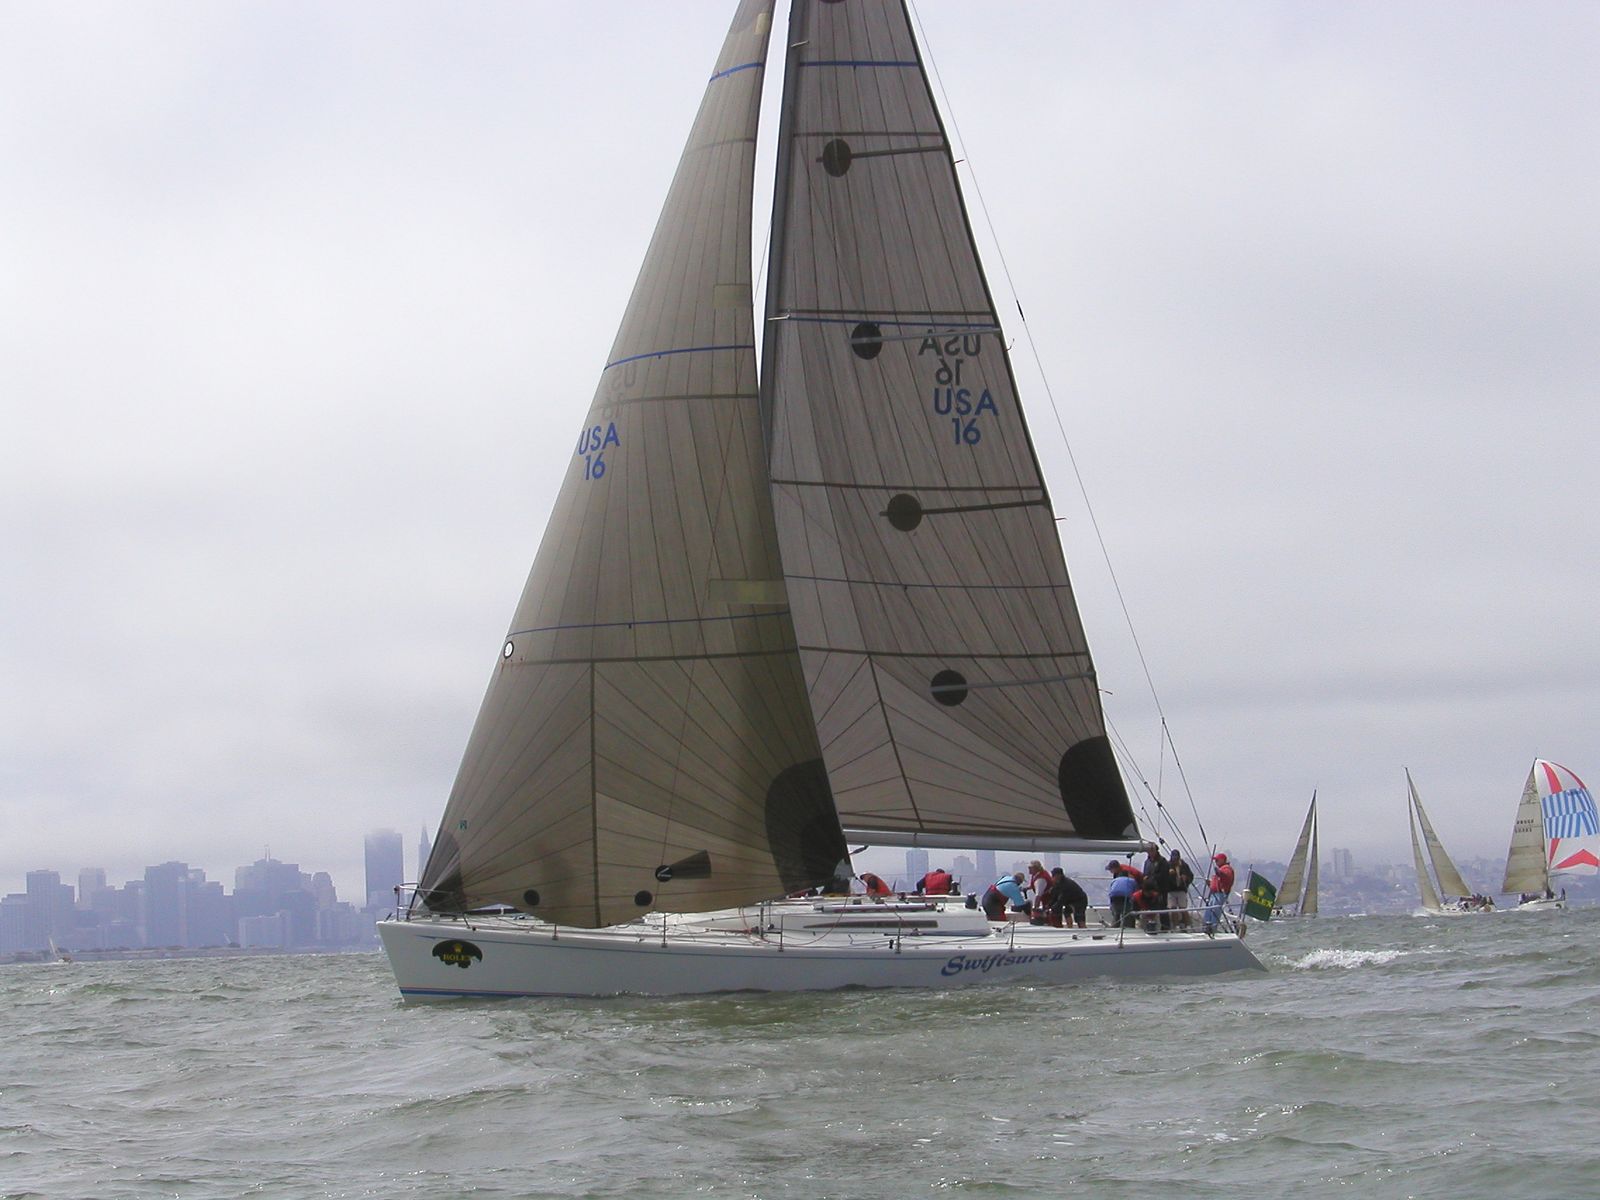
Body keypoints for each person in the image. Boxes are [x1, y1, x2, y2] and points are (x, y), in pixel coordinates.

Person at [1203, 852, 1235, 935]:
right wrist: (1210, 883)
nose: (1215, 861)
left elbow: (1226, 877)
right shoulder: (1221, 869)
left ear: (1223, 860)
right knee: (1209, 911)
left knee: (1215, 911)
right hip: (1213, 894)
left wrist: (1220, 873)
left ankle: (1212, 929)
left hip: (1220, 894)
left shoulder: (1226, 868)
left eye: (1217, 860)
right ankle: (1206, 927)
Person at [1166, 849, 1194, 930]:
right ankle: (1176, 926)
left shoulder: (1184, 865)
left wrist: (1186, 878)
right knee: (1173, 908)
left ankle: (1188, 925)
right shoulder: (1168, 865)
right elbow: (1164, 877)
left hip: (1181, 889)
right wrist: (1169, 874)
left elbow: (1191, 876)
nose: (1175, 860)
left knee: (1183, 908)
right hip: (1171, 890)